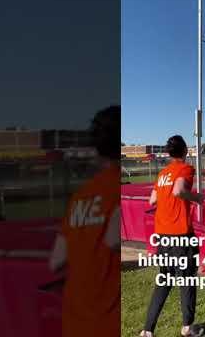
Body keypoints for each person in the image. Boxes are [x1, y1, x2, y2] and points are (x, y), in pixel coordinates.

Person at [49, 106, 121, 337]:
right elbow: (112, 240)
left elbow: (56, 261)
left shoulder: (80, 196)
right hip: (108, 322)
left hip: (75, 322)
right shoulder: (116, 189)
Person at [140, 135, 205, 337]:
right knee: (187, 280)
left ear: (169, 153)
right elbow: (178, 190)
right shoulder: (184, 168)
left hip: (163, 234)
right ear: (185, 151)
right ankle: (187, 327)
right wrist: (196, 198)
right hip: (180, 234)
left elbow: (152, 200)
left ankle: (147, 330)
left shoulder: (162, 173)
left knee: (165, 280)